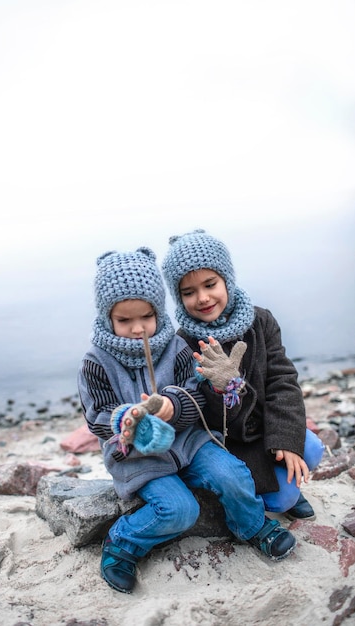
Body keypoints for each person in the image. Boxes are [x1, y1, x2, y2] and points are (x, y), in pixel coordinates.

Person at [77, 246, 297, 595]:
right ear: (108, 318)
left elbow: (197, 393)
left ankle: (252, 525)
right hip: (139, 456)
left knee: (232, 473)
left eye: (146, 316)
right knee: (179, 510)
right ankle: (123, 542)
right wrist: (126, 419)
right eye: (124, 320)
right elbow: (96, 417)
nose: (138, 329)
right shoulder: (96, 362)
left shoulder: (175, 346)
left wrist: (173, 406)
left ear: (159, 310)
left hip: (188, 442)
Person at [161, 229, 325, 521]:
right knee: (281, 500)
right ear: (178, 296)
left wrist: (286, 440)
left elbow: (282, 381)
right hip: (229, 443)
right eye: (189, 292)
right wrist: (221, 388)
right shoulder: (183, 343)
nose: (203, 298)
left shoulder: (260, 320)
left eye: (210, 284)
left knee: (310, 447)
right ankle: (276, 494)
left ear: (227, 279)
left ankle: (286, 481)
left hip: (266, 429)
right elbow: (198, 413)